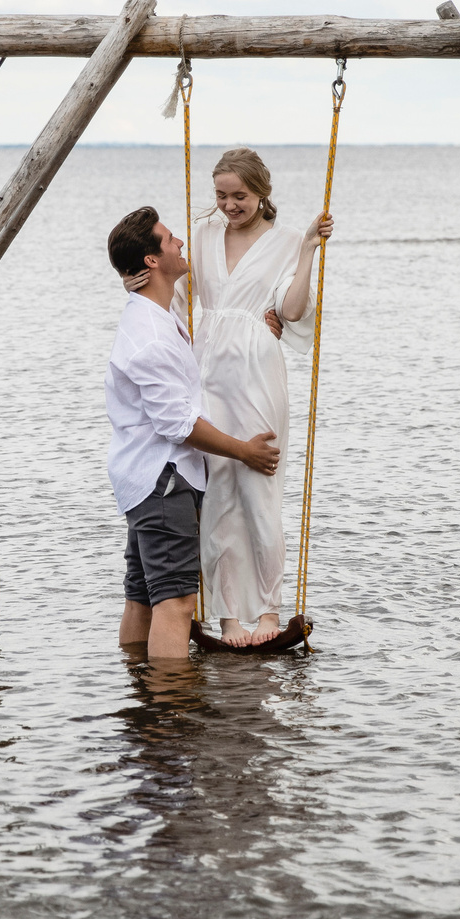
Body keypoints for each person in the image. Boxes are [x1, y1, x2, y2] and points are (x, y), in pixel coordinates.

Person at [104, 206, 282, 659]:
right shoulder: (152, 336)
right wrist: (243, 451)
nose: (181, 242)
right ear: (151, 261)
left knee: (143, 595)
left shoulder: (157, 317)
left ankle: (138, 691)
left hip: (143, 477)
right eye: (169, 239)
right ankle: (168, 711)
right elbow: (178, 425)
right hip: (163, 480)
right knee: (177, 602)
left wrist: (256, 326)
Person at [185, 148, 331, 644]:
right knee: (218, 491)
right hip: (207, 372)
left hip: (256, 371)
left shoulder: (287, 240)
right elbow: (176, 292)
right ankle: (227, 617)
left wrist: (310, 248)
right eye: (221, 196)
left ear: (261, 192)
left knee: (258, 489)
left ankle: (268, 612)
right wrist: (132, 279)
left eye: (239, 196)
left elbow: (290, 311)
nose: (229, 205)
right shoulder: (203, 235)